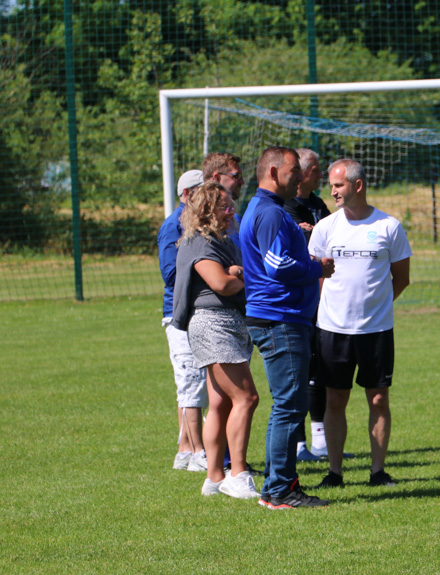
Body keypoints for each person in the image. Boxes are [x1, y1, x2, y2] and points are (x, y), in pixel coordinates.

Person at [239, 146, 334, 510]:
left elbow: (276, 261)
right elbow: (278, 266)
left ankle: (283, 484)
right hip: (280, 318)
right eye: (294, 170)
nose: (300, 176)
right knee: (289, 405)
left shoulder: (264, 209)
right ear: (274, 172)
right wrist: (317, 268)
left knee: (289, 403)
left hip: (280, 316)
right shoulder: (271, 213)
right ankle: (278, 490)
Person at [309, 158, 412, 489]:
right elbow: (317, 277)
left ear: (358, 185)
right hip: (332, 329)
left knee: (378, 399)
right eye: (331, 185)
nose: (332, 191)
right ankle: (334, 473)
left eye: (338, 185)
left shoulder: (389, 227)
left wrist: (374, 306)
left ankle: (378, 472)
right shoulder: (326, 227)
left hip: (376, 331)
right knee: (335, 400)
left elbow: (402, 278)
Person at [172, 182, 260, 499]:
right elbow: (221, 283)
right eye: (224, 206)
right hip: (213, 324)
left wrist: (238, 270)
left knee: (220, 403)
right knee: (247, 398)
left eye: (231, 205)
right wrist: (242, 273)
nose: (231, 211)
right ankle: (238, 473)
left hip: (228, 323)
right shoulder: (199, 242)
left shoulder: (221, 240)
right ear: (207, 209)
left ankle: (213, 478)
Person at [158, 169, 208, 473]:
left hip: (196, 311)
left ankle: (185, 450)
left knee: (190, 382)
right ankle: (198, 452)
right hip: (179, 314)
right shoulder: (173, 226)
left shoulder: (197, 223)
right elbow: (171, 273)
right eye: (202, 191)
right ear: (187, 194)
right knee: (191, 382)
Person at [284, 148, 331, 462]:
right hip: (297, 301)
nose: (320, 175)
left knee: (320, 370)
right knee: (297, 372)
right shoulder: (285, 208)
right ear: (301, 173)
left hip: (323, 298)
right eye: (316, 170)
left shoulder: (318, 205)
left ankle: (320, 441)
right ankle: (299, 443)